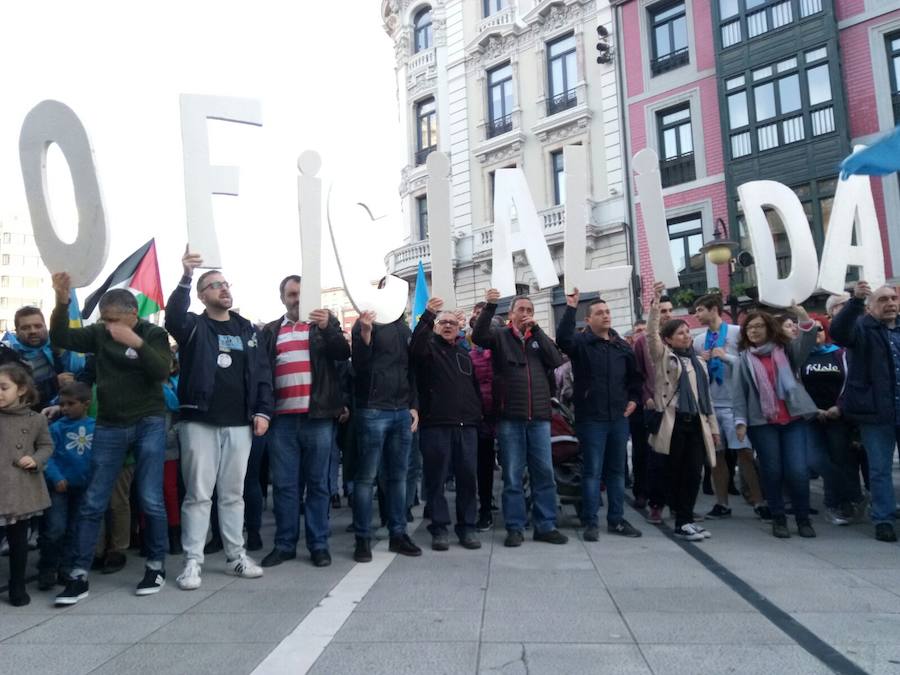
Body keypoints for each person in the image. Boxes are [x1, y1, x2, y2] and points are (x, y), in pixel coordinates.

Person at [49, 274, 172, 604]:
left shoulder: (153, 334)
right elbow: (60, 335)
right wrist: (62, 301)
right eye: (104, 320)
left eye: (114, 320)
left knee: (149, 497)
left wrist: (135, 342)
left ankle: (156, 565)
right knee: (93, 499)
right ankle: (78, 574)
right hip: (109, 424)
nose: (109, 326)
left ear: (133, 314)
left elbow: (163, 371)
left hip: (148, 421)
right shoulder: (100, 334)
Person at [164, 248, 272, 590]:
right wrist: (185, 277)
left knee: (233, 493)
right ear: (202, 294)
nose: (224, 289)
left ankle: (235, 556)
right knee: (198, 494)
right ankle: (192, 562)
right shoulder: (193, 326)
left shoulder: (246, 330)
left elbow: (262, 373)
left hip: (240, 422)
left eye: (226, 284)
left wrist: (264, 410)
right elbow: (172, 317)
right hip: (199, 420)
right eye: (214, 285)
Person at [261, 275, 349, 568]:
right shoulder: (272, 331)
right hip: (282, 421)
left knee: (319, 485)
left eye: (301, 293)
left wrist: (326, 327)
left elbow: (343, 353)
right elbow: (261, 373)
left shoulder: (323, 326)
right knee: (285, 487)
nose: (297, 299)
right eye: (291, 294)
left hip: (318, 419)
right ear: (283, 298)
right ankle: (285, 544)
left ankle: (318, 544)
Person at [472, 289, 566, 547]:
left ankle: (545, 525)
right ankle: (515, 526)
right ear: (511, 314)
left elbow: (556, 359)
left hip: (539, 417)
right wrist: (490, 305)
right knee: (513, 474)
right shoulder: (500, 336)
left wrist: (537, 332)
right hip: (510, 417)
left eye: (529, 310)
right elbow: (479, 336)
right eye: (521, 310)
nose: (525, 314)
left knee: (544, 472)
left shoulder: (538, 337)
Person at [556, 288, 643, 541]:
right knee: (592, 472)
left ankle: (616, 519)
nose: (606, 316)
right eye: (599, 313)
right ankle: (590, 521)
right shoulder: (581, 344)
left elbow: (634, 380)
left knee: (616, 472)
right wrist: (571, 307)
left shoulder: (622, 347)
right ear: (589, 319)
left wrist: (634, 400)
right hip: (591, 419)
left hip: (618, 418)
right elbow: (562, 338)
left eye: (607, 312)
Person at [732, 307, 818, 539]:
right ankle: (778, 517)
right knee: (772, 470)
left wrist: (803, 316)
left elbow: (808, 340)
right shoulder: (744, 360)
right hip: (762, 422)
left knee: (798, 471)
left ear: (770, 328)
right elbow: (739, 394)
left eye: (759, 326)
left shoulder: (786, 351)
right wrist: (739, 422)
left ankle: (803, 519)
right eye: (749, 328)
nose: (754, 331)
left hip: (793, 418)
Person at [646, 282, 720, 541]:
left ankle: (687, 519)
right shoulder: (664, 358)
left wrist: (713, 428)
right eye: (680, 333)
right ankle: (681, 520)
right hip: (673, 422)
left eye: (688, 332)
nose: (686, 336)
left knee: (694, 471)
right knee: (674, 472)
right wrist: (655, 305)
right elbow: (651, 336)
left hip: (696, 422)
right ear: (668, 339)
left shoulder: (699, 361)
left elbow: (706, 399)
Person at [351, 301, 422, 562]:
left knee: (399, 478)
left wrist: (413, 406)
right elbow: (358, 368)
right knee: (366, 478)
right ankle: (362, 538)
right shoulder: (365, 322)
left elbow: (411, 370)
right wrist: (365, 336)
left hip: (400, 410)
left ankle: (398, 534)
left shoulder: (404, 329)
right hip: (373, 410)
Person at [410, 297, 483, 550]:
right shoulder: (427, 349)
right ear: (435, 326)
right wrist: (428, 314)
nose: (449, 326)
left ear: (459, 328)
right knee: (436, 479)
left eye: (453, 322)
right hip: (436, 425)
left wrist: (476, 418)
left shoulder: (464, 354)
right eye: (443, 322)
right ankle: (439, 528)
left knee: (467, 479)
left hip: (466, 426)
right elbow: (416, 343)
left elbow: (473, 389)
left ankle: (468, 528)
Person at [831, 282, 900, 542]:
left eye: (893, 298)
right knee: (880, 470)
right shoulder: (861, 328)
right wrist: (855, 302)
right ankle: (883, 519)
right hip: (876, 413)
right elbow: (838, 332)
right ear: (870, 308)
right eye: (883, 300)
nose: (891, 303)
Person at [692, 293, 767, 520]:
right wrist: (701, 362)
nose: (697, 315)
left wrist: (727, 358)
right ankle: (722, 503)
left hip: (736, 405)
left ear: (714, 309)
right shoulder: (698, 341)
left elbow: (749, 364)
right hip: (712, 406)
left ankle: (758, 501)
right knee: (717, 456)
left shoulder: (736, 333)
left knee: (745, 453)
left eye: (700, 310)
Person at [801, 314, 864, 526]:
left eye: (819, 329)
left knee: (842, 459)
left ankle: (836, 504)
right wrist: (812, 409)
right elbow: (795, 386)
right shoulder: (800, 357)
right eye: (810, 331)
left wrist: (839, 406)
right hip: (811, 417)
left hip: (837, 416)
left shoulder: (840, 354)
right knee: (817, 460)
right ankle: (851, 497)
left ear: (826, 331)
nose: (815, 334)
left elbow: (851, 382)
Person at [0, 364, 53, 606]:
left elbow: (46, 445)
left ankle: (17, 585)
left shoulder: (35, 419)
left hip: (21, 487)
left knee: (19, 542)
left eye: (3, 387)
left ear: (21, 390)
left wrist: (35, 459)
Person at [37, 381, 94, 591]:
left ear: (86, 403)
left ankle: (66, 567)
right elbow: (47, 456)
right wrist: (56, 477)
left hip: (83, 486)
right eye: (62, 404)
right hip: (59, 486)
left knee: (74, 528)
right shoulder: (56, 428)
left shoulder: (94, 427)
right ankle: (47, 567)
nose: (65, 408)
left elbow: (97, 457)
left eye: (71, 404)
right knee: (55, 528)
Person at [633, 293, 675, 520]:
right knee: (649, 455)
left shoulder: (679, 337)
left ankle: (677, 502)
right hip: (651, 407)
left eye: (669, 310)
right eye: (661, 310)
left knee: (675, 458)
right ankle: (646, 496)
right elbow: (636, 374)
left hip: (676, 408)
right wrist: (645, 396)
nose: (666, 314)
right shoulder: (642, 342)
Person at [6, 306, 84, 410]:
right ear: (16, 331)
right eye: (25, 328)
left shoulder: (61, 346)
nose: (33, 331)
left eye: (38, 326)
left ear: (45, 326)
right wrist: (54, 383)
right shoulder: (8, 356)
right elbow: (14, 394)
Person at [466, 302, 498, 531]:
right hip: (481, 416)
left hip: (506, 412)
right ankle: (485, 508)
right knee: (484, 466)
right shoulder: (468, 355)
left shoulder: (503, 348)